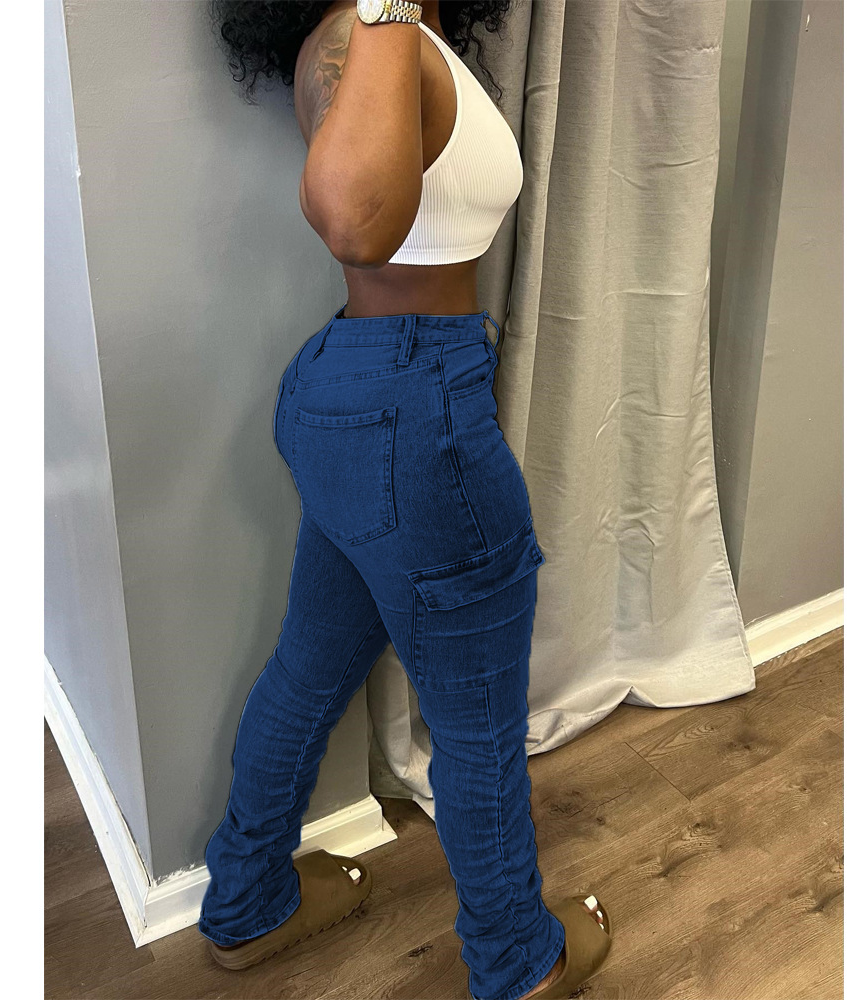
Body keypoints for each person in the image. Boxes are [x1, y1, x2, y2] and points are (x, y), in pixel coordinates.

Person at [198, 3, 612, 998]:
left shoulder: (368, 33)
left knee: (307, 666)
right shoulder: (373, 22)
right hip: (418, 408)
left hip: (346, 387)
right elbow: (353, 219)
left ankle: (248, 902)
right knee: (476, 725)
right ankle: (520, 961)